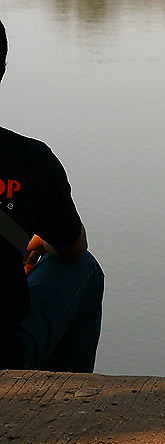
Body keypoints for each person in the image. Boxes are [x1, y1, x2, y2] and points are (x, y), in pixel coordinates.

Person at [0, 19, 104, 371]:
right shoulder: (30, 160)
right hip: (6, 357)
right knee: (84, 270)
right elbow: (73, 249)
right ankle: (58, 401)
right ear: (1, 70)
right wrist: (34, 243)